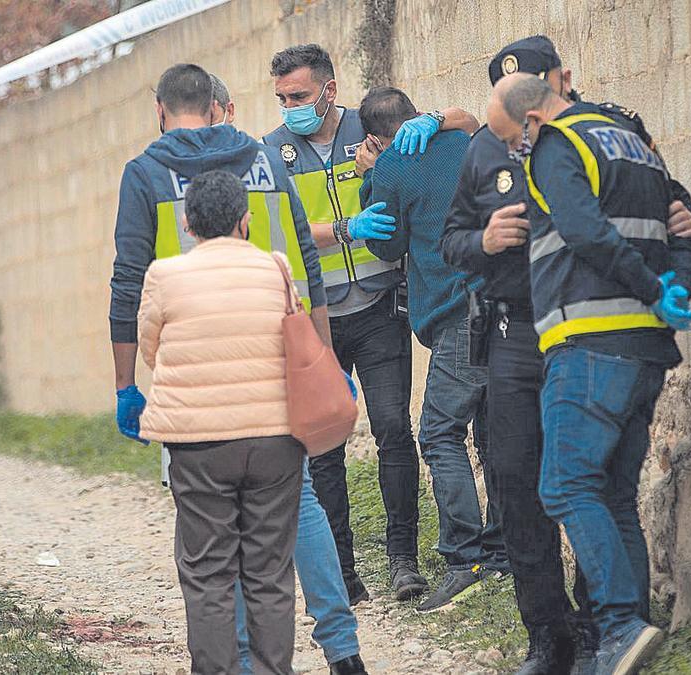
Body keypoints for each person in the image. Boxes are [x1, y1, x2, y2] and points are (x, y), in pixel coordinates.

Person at [440, 35, 691, 674]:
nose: (512, 151)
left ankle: (609, 627)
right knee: (560, 488)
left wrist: (665, 274)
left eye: (514, 137)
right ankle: (564, 639)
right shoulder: (602, 138)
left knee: (566, 484)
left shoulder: (575, 139)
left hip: (584, 336)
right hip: (539, 336)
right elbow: (451, 239)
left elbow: (623, 220)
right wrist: (483, 239)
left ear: (546, 92)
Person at [109, 63, 364, 675]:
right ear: (218, 104)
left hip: (196, 383)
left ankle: (243, 662)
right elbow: (308, 263)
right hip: (282, 361)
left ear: (160, 107)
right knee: (296, 508)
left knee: (216, 544)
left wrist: (125, 386)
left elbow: (126, 287)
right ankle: (342, 647)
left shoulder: (145, 173)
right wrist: (324, 358)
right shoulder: (268, 160)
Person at [262, 44, 478, 602]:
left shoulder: (376, 122)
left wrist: (433, 118)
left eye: (301, 96)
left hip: (382, 306)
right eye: (283, 98)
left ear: (329, 91)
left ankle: (404, 561)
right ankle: (343, 572)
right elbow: (277, 231)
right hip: (319, 319)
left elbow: (464, 122)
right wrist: (346, 228)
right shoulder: (270, 153)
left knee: (393, 431)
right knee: (325, 446)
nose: (291, 107)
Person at [358, 87, 509, 613]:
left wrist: (368, 180)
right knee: (490, 429)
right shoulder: (467, 141)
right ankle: (501, 551)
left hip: (456, 315)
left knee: (440, 432)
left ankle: (462, 558)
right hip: (502, 305)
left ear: (374, 137)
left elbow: (385, 244)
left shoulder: (393, 165)